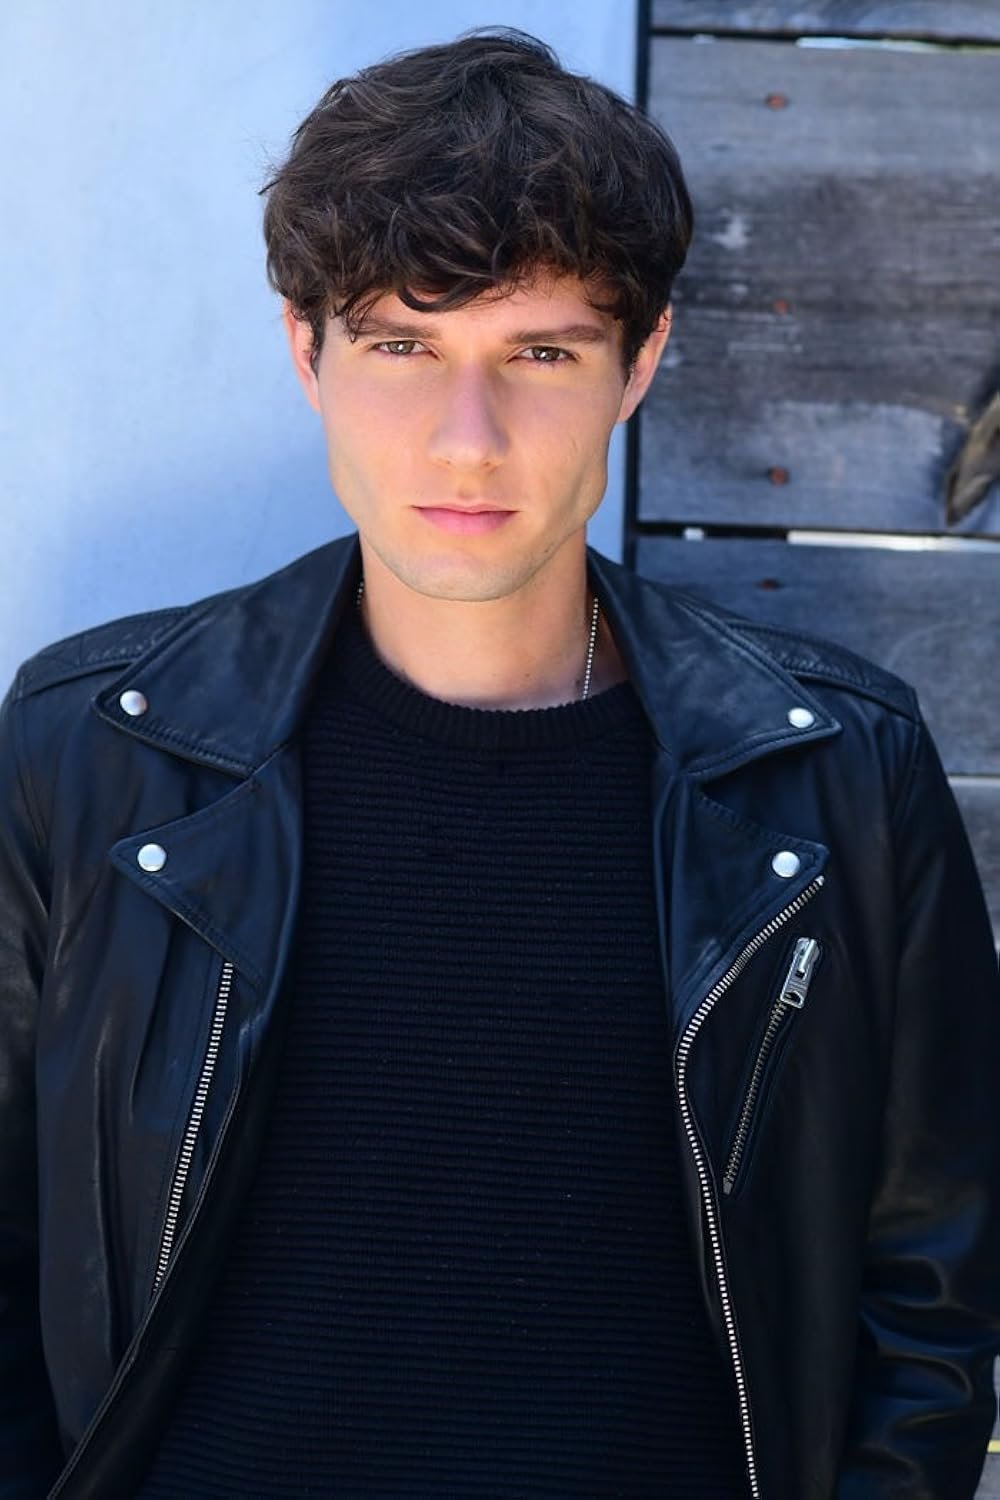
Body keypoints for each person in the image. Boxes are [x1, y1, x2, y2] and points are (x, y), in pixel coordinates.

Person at [1, 28, 998, 1500]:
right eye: (403, 348)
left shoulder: (843, 773)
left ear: (639, 363)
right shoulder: (92, 748)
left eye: (541, 353)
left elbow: (931, 1305)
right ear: (307, 353)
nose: (466, 441)